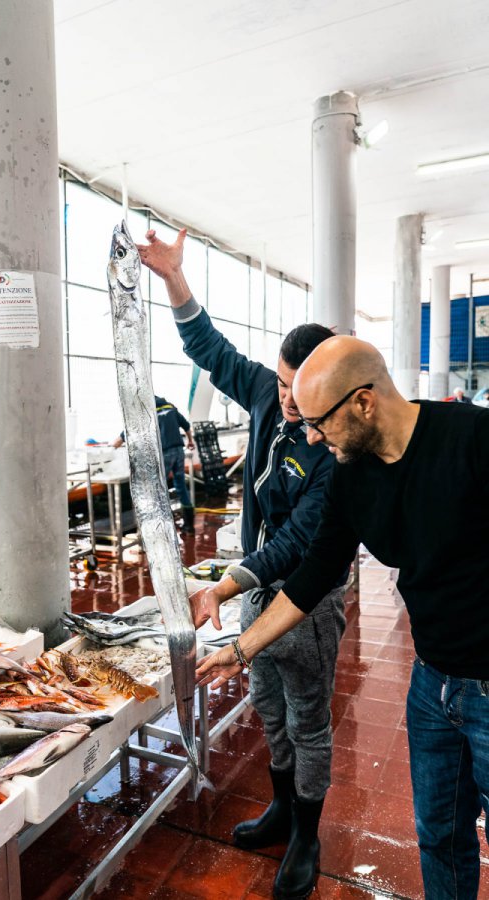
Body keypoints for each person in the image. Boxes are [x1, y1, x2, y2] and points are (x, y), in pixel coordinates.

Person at [196, 334, 489, 900]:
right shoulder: (352, 474)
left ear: (362, 402)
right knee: (439, 836)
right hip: (431, 684)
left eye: (318, 421)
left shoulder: (473, 440)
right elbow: (310, 577)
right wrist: (238, 650)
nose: (309, 436)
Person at [137, 228, 348, 900]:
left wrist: (225, 584)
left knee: (310, 719)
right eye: (283, 382)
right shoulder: (264, 394)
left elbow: (299, 546)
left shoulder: (334, 451)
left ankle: (307, 835)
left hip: (307, 603)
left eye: (302, 387)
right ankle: (283, 806)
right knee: (268, 707)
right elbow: (209, 349)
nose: (289, 399)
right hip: (257, 594)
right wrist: (173, 279)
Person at [112, 395, 196, 534]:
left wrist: (112, 447)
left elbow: (128, 432)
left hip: (164, 453)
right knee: (180, 486)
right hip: (179, 451)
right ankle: (189, 526)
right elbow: (186, 425)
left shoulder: (147, 411)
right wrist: (190, 441)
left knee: (157, 490)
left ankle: (161, 529)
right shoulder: (170, 407)